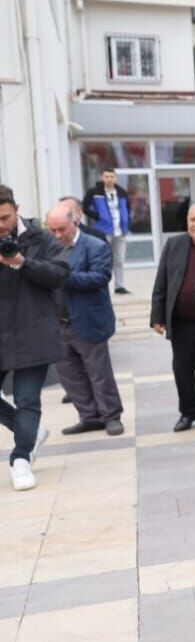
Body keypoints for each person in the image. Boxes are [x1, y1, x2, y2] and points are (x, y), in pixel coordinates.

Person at [0, 185, 68, 490]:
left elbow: (59, 273)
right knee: (24, 410)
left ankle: (21, 459)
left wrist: (22, 263)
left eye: (5, 217)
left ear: (16, 209)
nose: (1, 225)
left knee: (27, 398)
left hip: (33, 330)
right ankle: (31, 431)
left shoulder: (39, 237)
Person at [45, 205, 124, 438]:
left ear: (75, 222)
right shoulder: (48, 248)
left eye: (62, 229)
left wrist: (61, 275)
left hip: (88, 320)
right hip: (57, 323)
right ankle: (89, 416)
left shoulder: (95, 246)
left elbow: (100, 277)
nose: (58, 235)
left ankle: (111, 416)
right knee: (68, 374)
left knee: (99, 373)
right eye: (52, 230)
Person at [150, 203, 195, 433]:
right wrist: (157, 316)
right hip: (182, 322)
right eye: (192, 219)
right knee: (182, 370)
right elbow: (161, 281)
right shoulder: (175, 244)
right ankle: (188, 411)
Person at [82, 169, 131, 293]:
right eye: (106, 176)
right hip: (103, 230)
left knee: (119, 260)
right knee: (102, 259)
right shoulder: (94, 192)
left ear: (116, 178)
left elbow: (128, 208)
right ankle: (102, 285)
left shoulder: (122, 192)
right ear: (102, 177)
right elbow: (84, 207)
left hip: (120, 230)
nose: (109, 179)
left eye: (112, 176)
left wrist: (126, 221)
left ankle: (119, 286)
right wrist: (98, 216)